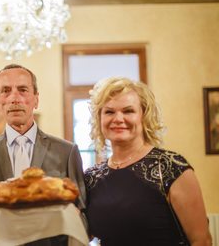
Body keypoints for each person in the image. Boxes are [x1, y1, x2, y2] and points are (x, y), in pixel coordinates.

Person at [0, 64, 86, 245]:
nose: (14, 98)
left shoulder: (67, 152)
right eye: (5, 91)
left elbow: (80, 212)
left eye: (22, 90)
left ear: (36, 99)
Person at [84, 77, 212, 245]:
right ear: (99, 118)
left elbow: (201, 240)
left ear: (143, 116)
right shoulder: (91, 177)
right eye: (109, 112)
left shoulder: (171, 167)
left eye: (128, 111)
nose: (118, 119)